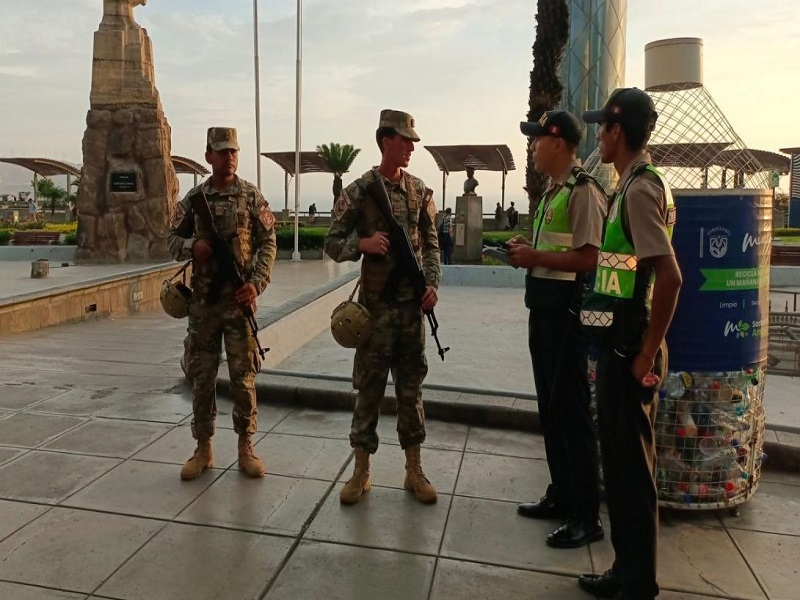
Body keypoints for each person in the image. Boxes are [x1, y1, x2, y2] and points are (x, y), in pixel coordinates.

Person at [577, 88, 682, 600]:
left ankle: (637, 582)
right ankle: (626, 569)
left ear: (618, 131)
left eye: (603, 128)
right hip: (617, 345)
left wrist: (644, 353)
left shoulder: (639, 189)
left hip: (628, 351)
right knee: (619, 468)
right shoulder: (629, 187)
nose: (598, 136)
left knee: (631, 474)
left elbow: (670, 277)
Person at [324, 109, 441, 505]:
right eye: (404, 140)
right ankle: (361, 471)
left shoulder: (421, 191)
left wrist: (432, 285)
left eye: (412, 141)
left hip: (410, 315)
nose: (410, 147)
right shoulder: (359, 190)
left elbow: (431, 244)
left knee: (411, 392)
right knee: (369, 392)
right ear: (385, 140)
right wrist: (363, 245)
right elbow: (331, 242)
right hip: (374, 315)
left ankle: (414, 469)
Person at [508, 110, 607, 549]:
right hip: (544, 313)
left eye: (536, 140)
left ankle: (586, 515)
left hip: (568, 317)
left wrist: (536, 258)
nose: (531, 147)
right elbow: (553, 252)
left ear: (558, 143)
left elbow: (590, 257)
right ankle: (561, 493)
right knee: (550, 408)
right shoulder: (553, 194)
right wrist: (529, 253)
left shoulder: (583, 192)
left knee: (572, 415)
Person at [168, 127, 277, 481]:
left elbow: (269, 243)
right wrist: (191, 249)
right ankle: (203, 448)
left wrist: (256, 284)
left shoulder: (250, 196)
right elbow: (169, 239)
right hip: (203, 306)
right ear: (208, 155)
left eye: (233, 151)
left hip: (238, 304)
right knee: (202, 377)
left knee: (243, 378)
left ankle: (246, 447)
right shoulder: (194, 200)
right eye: (222, 151)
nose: (229, 156)